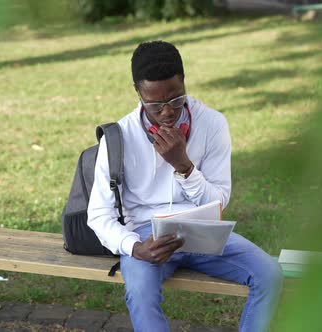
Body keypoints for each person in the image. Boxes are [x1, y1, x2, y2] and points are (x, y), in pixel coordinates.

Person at [87, 40, 282, 332]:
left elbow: (218, 201)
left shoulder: (212, 124)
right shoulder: (119, 137)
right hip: (146, 237)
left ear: (184, 83)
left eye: (176, 100)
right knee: (140, 291)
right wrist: (135, 247)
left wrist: (184, 166)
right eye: (155, 104)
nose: (167, 112)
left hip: (202, 231)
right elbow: (99, 215)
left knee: (270, 274)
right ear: (138, 92)